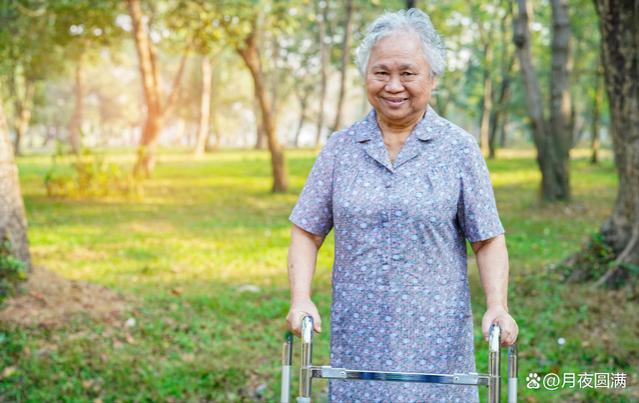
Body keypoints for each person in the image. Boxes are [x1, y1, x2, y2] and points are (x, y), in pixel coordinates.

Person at [286, 8, 518, 402]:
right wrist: (300, 298)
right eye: (381, 72)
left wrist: (498, 305)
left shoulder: (458, 148)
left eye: (408, 73)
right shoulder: (341, 148)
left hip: (437, 343)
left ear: (432, 78)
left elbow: (487, 240)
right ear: (366, 76)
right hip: (358, 340)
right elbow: (307, 231)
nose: (394, 85)